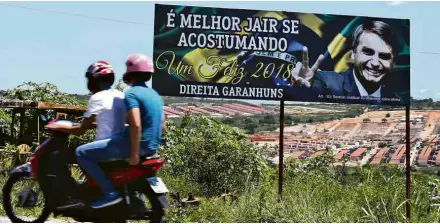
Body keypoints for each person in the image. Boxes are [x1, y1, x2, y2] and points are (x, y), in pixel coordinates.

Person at [74, 53, 165, 209]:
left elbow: (135, 124)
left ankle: (110, 193)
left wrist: (135, 154)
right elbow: (163, 126)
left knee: (81, 152)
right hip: (151, 147)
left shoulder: (131, 93)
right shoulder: (155, 95)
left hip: (131, 146)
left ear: (129, 73)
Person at [45, 61, 126, 208]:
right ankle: (89, 189)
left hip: (109, 146)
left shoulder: (97, 98)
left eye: (90, 79)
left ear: (95, 80)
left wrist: (58, 126)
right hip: (121, 144)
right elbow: (108, 121)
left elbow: (81, 130)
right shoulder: (120, 95)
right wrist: (91, 125)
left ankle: (109, 193)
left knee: (79, 153)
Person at [291, 20, 400, 103]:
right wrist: (302, 90)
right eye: (368, 52)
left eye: (384, 56)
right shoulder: (324, 81)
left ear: (393, 63)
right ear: (353, 54)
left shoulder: (396, 101)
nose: (375, 63)